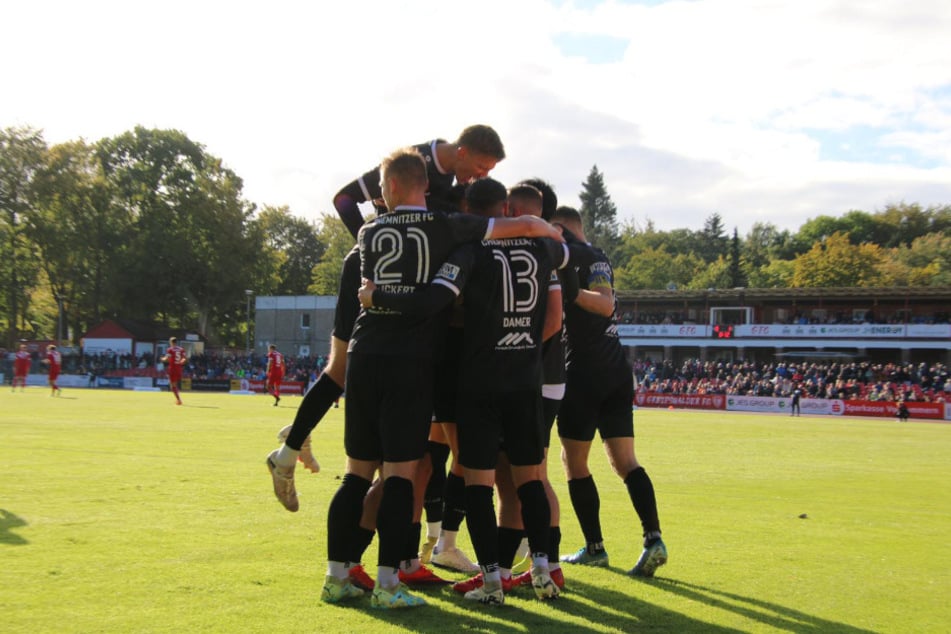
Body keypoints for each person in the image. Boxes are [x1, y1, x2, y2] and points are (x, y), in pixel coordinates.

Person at [322, 148, 563, 609]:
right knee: (403, 474)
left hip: (365, 353)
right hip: (417, 363)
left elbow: (371, 285)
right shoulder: (448, 228)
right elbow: (513, 235)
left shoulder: (368, 232)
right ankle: (392, 581)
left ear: (387, 188)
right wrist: (548, 235)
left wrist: (377, 299)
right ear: (426, 187)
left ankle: (337, 575)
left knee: (356, 475)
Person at [551, 206, 668, 579]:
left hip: (584, 370)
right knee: (625, 462)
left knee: (575, 462)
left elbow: (604, 304)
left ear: (561, 228)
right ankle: (654, 540)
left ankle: (595, 548)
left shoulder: (573, 257)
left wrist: (571, 289)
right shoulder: (599, 257)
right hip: (617, 369)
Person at [333, 124, 505, 239]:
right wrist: (366, 240)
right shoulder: (409, 163)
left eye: (488, 171)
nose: (482, 176)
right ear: (462, 153)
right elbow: (344, 198)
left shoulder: (456, 177)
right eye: (481, 167)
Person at [161, 337, 187, 405]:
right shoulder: (181, 349)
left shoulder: (170, 349)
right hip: (179, 369)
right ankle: (178, 399)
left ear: (171, 342)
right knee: (175, 384)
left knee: (172, 386)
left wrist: (162, 359)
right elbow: (184, 359)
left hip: (172, 369)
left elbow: (167, 358)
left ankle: (178, 400)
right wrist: (181, 362)